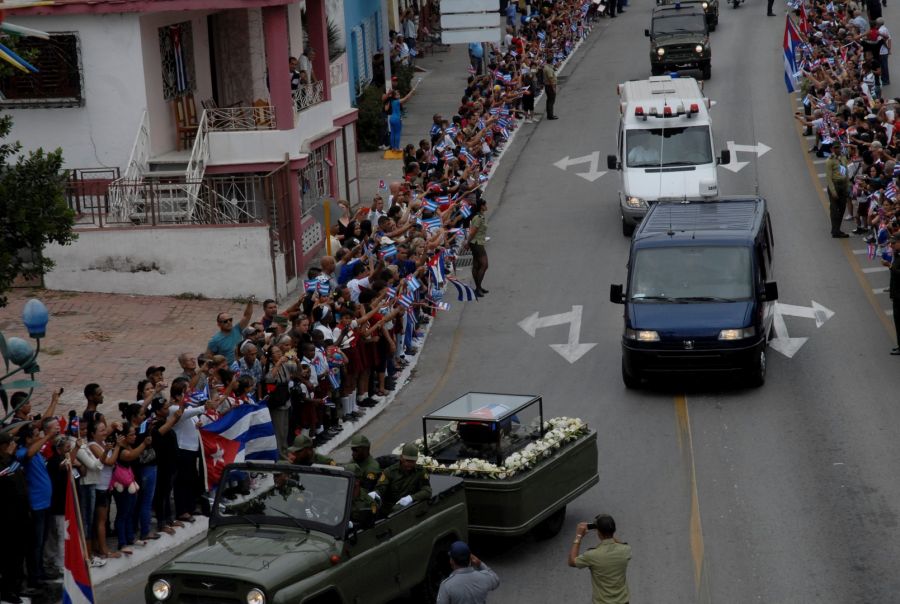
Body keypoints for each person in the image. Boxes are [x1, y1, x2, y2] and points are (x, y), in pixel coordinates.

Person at [568, 514, 632, 604]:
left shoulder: (592, 555)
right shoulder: (626, 550)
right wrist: (608, 533)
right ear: (614, 530)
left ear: (598, 532)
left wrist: (578, 536)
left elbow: (571, 562)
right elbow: (620, 544)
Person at [374, 442, 431, 513]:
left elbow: (427, 491)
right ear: (401, 458)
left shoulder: (420, 471)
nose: (410, 464)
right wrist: (376, 493)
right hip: (390, 509)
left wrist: (411, 498)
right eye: (407, 461)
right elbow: (381, 487)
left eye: (412, 461)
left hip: (409, 508)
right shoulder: (390, 472)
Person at [207, 298, 255, 364]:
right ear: (219, 324)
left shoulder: (237, 329)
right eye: (225, 321)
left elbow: (247, 316)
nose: (229, 322)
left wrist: (250, 301)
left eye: (230, 319)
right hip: (228, 370)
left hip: (241, 366)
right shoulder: (215, 340)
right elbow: (208, 357)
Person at [825, 143, 851, 238]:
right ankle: (835, 231)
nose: (837, 149)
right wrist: (833, 191)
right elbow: (829, 178)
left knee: (842, 208)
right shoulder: (830, 161)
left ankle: (837, 229)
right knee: (834, 210)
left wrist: (848, 186)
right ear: (832, 149)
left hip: (843, 185)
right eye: (835, 148)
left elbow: (846, 173)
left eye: (838, 147)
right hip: (835, 186)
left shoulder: (843, 158)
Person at [464, 198, 490, 297]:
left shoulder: (480, 216)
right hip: (476, 243)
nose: (486, 206)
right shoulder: (478, 217)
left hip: (477, 242)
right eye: (485, 204)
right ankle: (478, 288)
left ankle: (478, 287)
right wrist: (467, 242)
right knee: (484, 265)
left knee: (476, 265)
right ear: (481, 206)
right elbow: (473, 231)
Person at [343, 462, 379, 529]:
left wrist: (354, 525)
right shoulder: (340, 495)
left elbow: (369, 525)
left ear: (357, 481)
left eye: (347, 478)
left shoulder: (369, 503)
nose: (344, 480)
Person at [388, 86, 418, 152]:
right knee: (398, 133)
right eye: (397, 94)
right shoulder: (397, 101)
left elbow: (405, 100)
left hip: (391, 118)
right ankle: (397, 148)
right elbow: (406, 98)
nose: (399, 95)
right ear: (394, 96)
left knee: (392, 133)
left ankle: (393, 148)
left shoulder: (392, 101)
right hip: (397, 119)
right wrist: (412, 91)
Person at [884, 233, 900, 354]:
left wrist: (890, 266)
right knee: (898, 322)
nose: (891, 245)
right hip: (897, 294)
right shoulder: (897, 254)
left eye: (894, 243)